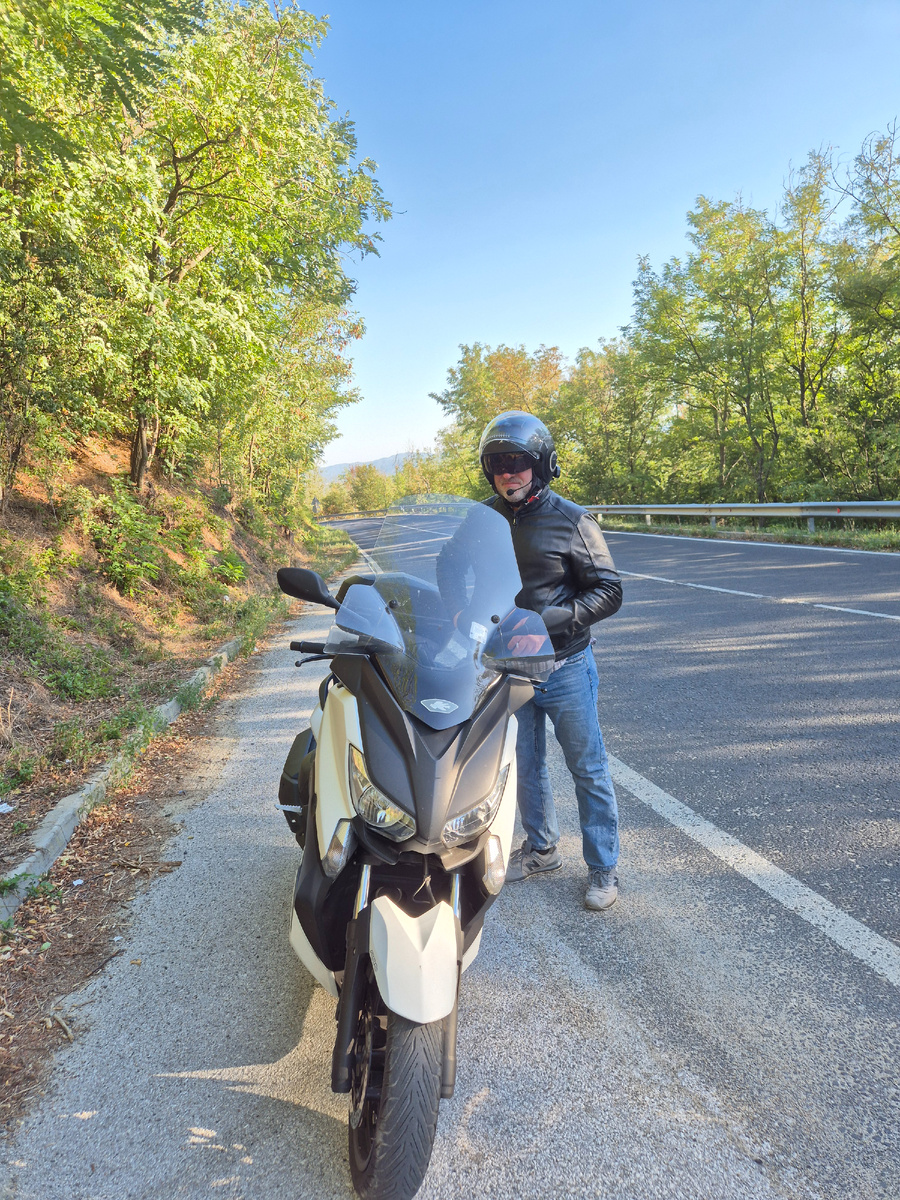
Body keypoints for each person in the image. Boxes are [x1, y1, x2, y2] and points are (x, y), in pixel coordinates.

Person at [478, 411, 623, 911]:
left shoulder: (572, 520)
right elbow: (449, 568)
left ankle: (603, 868)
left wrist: (554, 619)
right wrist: (452, 611)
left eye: (518, 462)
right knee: (526, 766)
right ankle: (542, 850)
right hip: (509, 670)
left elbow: (609, 590)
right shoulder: (484, 520)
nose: (508, 473)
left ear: (540, 465)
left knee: (587, 767)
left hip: (564, 667)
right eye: (498, 463)